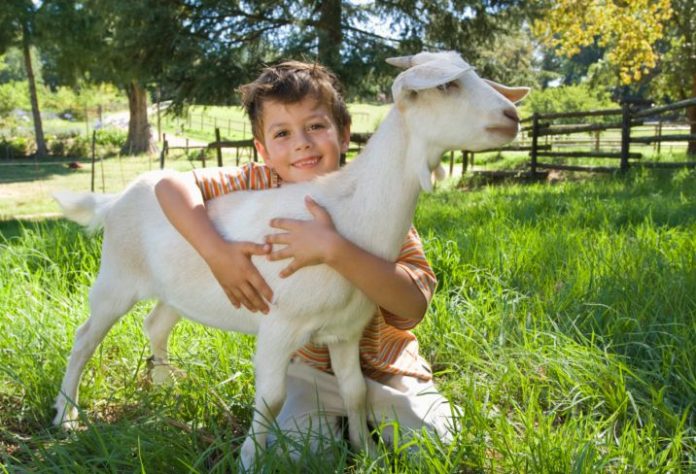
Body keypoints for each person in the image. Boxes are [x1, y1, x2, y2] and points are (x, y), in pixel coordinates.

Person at [154, 60, 457, 455]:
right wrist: (217, 253)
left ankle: (382, 416)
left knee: (434, 444)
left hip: (387, 368)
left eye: (316, 126)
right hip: (308, 369)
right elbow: (170, 186)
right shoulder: (261, 182)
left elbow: (412, 305)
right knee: (295, 454)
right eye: (282, 133)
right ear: (262, 150)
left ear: (344, 134)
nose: (301, 143)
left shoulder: (375, 205)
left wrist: (334, 249)